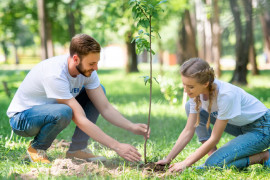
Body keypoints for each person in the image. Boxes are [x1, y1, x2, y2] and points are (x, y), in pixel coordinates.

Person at [7, 34, 150, 164]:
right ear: (76, 59)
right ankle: (37, 148)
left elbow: (105, 107)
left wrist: (131, 126)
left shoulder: (88, 72)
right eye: (92, 64)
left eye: (97, 62)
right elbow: (80, 119)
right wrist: (117, 146)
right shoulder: (55, 73)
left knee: (98, 92)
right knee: (64, 111)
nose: (96, 68)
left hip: (49, 112)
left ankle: (77, 149)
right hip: (22, 119)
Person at [156, 57, 270, 172]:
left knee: (214, 164)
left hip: (261, 128)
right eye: (184, 85)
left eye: (190, 87)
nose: (186, 90)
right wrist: (168, 159)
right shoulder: (196, 93)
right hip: (240, 126)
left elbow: (215, 138)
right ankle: (213, 154)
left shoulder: (226, 96)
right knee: (191, 108)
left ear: (206, 83)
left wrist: (186, 163)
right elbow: (188, 130)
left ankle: (264, 157)